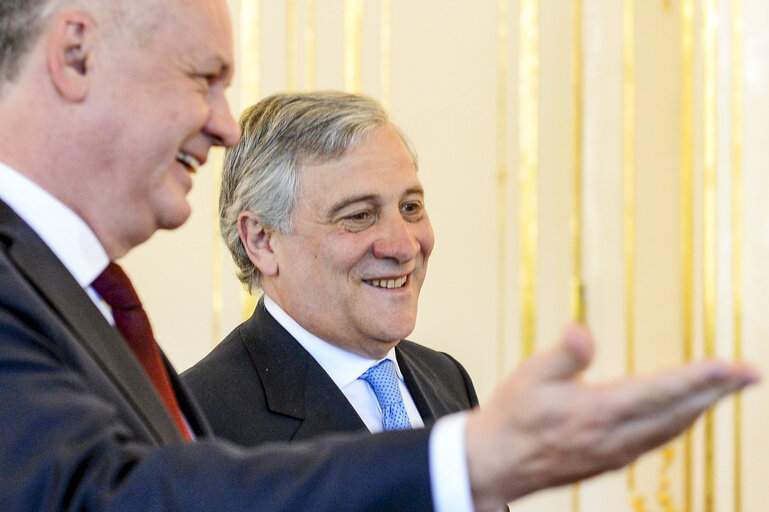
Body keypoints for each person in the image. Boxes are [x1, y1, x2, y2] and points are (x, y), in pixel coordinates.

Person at [0, 1, 758, 511]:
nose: (225, 126)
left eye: (411, 205)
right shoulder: (204, 394)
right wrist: (463, 460)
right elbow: (112, 495)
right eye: (204, 79)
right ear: (75, 54)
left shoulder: (443, 376)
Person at [182, 92, 479, 447]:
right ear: (262, 240)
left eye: (411, 207)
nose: (404, 246)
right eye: (358, 216)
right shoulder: (199, 423)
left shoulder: (448, 380)